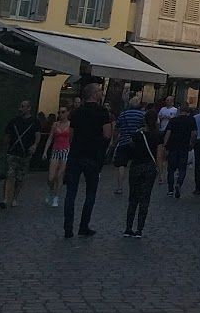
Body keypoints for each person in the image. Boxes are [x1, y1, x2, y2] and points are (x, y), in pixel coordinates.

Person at [64, 82, 113, 238]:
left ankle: (68, 227)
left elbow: (70, 135)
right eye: (99, 91)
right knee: (90, 192)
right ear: (94, 94)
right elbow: (107, 134)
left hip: (76, 154)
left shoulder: (77, 112)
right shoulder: (102, 112)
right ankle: (83, 226)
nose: (101, 93)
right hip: (93, 156)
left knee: (71, 193)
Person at [124, 111, 162, 237]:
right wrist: (160, 173)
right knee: (145, 199)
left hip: (136, 167)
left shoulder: (137, 135)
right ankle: (139, 229)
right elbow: (159, 155)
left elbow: (130, 148)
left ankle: (128, 228)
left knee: (133, 198)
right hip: (149, 168)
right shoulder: (157, 135)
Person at [1, 99, 40, 208]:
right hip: (12, 152)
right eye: (20, 106)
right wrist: (4, 149)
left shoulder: (34, 122)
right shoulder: (14, 121)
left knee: (20, 178)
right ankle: (5, 199)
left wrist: (35, 145)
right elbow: (7, 136)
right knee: (9, 175)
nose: (20, 108)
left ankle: (14, 198)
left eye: (23, 106)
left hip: (25, 153)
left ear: (29, 108)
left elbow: (37, 135)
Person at [111, 93, 145, 196]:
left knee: (121, 165)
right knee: (137, 165)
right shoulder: (141, 115)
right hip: (137, 143)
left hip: (124, 142)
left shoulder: (123, 114)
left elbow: (117, 128)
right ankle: (136, 187)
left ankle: (120, 187)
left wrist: (114, 140)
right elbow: (145, 128)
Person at [162, 103, 195, 197]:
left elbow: (168, 133)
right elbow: (193, 134)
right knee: (182, 168)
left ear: (179, 111)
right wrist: (192, 143)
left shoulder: (173, 120)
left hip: (173, 147)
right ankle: (179, 183)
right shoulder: (191, 121)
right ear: (188, 111)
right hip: (184, 147)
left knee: (171, 169)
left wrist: (165, 145)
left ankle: (170, 189)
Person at [45, 106, 71, 206]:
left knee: (59, 175)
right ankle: (51, 190)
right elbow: (50, 137)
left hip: (65, 151)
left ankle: (56, 196)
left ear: (68, 113)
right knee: (51, 177)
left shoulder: (70, 125)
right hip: (55, 150)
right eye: (59, 112)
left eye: (63, 112)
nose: (61, 114)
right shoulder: (55, 124)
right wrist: (45, 151)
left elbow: (72, 139)